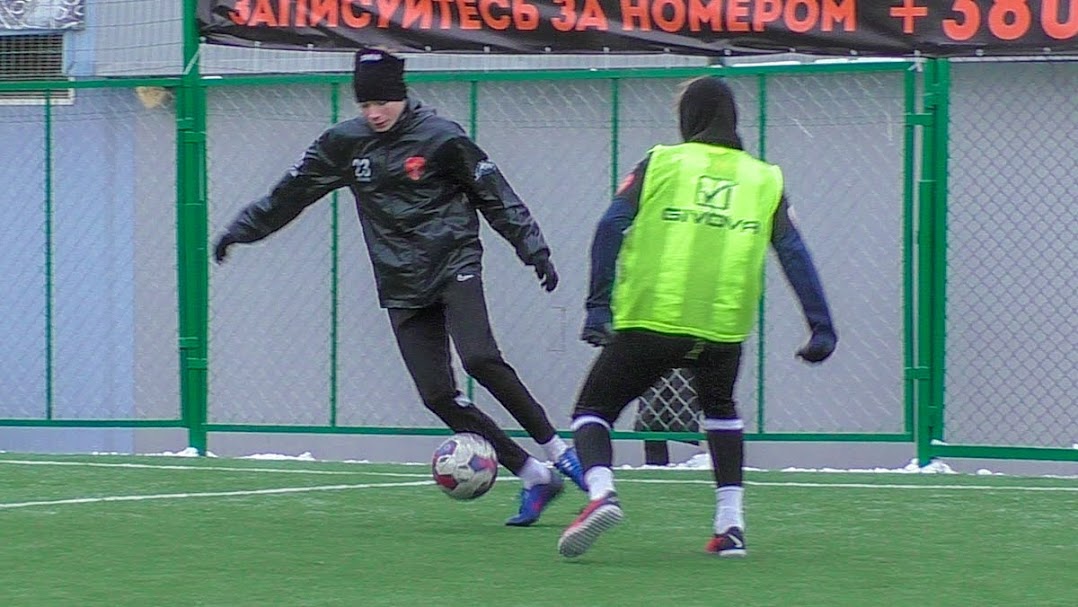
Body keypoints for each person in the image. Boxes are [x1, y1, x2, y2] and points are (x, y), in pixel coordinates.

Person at [212, 48, 586, 526]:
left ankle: (559, 450)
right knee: (437, 395)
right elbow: (291, 194)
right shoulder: (344, 144)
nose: (374, 113)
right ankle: (535, 475)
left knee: (479, 358)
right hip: (399, 280)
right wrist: (242, 229)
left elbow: (495, 194)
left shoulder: (442, 137)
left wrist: (531, 246)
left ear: (401, 96)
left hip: (453, 261)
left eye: (382, 102)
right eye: (365, 105)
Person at [560, 76, 837, 558]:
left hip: (654, 315)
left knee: (593, 411)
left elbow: (609, 226)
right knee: (720, 408)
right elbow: (793, 250)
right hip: (723, 324)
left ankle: (601, 495)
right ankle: (730, 527)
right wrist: (820, 324)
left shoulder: (663, 160)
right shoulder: (764, 176)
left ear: (689, 117)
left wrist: (596, 305)